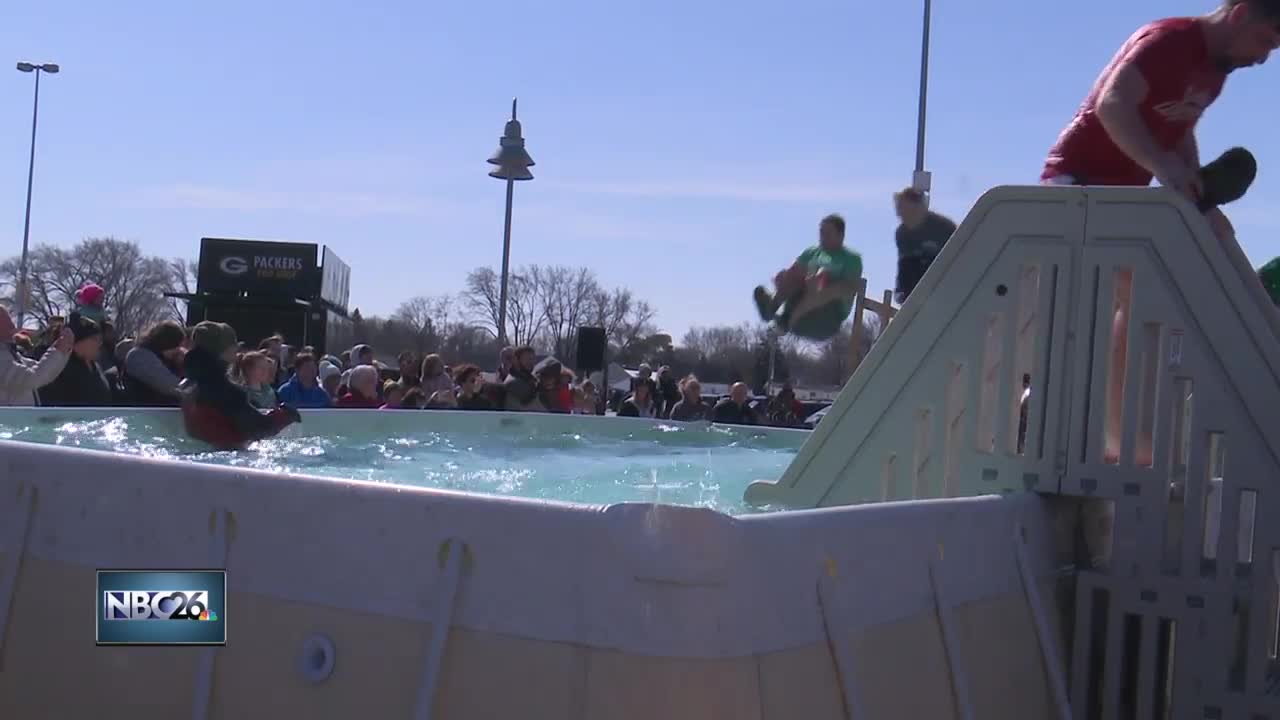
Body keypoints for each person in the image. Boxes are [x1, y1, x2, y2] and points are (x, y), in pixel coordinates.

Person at [1042, 0, 1279, 464]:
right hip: (1077, 186)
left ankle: (1122, 436)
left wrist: (1194, 185)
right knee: (1126, 294)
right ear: (1240, 14)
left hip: (1126, 200)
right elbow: (1112, 106)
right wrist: (1164, 167)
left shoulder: (1216, 71)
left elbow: (1176, 128)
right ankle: (1098, 427)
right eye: (1266, 40)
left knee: (1148, 295)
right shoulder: (1169, 40)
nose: (1266, 57)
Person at [180, 321, 299, 450]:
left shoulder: (188, 384)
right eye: (233, 344)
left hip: (196, 454)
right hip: (228, 458)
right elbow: (258, 428)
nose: (237, 348)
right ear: (221, 350)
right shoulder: (224, 390)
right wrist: (285, 415)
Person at [753, 214, 864, 340]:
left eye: (828, 233)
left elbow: (849, 288)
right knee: (794, 276)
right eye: (821, 233)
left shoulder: (851, 258)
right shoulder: (812, 252)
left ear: (840, 236)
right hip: (804, 301)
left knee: (825, 283)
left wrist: (820, 286)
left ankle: (787, 321)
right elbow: (793, 272)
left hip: (830, 313)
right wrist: (782, 279)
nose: (823, 237)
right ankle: (772, 307)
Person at [893, 188, 958, 303]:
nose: (901, 215)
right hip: (918, 281)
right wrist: (902, 291)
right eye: (900, 211)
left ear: (919, 208)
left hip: (947, 277)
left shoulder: (944, 227)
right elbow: (904, 266)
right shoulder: (902, 234)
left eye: (906, 210)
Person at [0, 306, 72, 406]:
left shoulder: (9, 353)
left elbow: (45, 372)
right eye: (5, 320)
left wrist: (63, 348)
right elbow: (34, 377)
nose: (11, 324)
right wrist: (58, 350)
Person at [39, 313, 112, 407]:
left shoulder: (95, 366)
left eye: (100, 339)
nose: (100, 343)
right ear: (76, 343)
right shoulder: (59, 370)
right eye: (94, 339)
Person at [502, 346, 543, 411]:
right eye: (527, 359)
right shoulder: (513, 382)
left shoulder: (530, 379)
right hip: (519, 419)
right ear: (516, 360)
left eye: (532, 359)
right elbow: (534, 403)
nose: (530, 362)